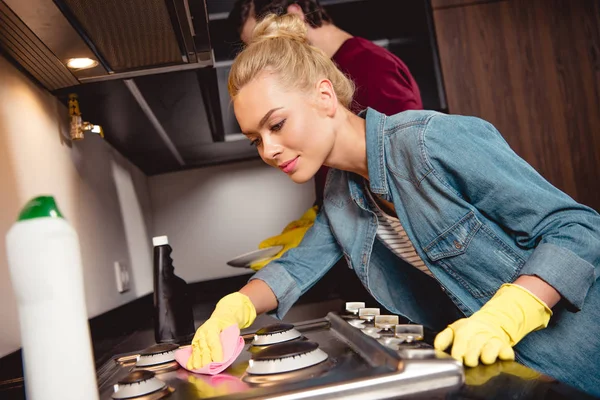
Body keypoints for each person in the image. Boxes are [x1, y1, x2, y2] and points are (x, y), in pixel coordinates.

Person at [188, 13, 600, 397]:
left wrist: (510, 313)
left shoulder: (428, 142)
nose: (269, 150)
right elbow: (296, 267)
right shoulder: (339, 195)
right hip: (523, 376)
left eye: (276, 125)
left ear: (325, 97)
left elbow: (577, 228)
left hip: (583, 350)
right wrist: (234, 307)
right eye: (256, 139)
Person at [228, 0, 422, 272]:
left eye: (265, 41)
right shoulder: (327, 72)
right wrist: (319, 216)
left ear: (294, 15)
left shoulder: (371, 67)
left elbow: (407, 163)